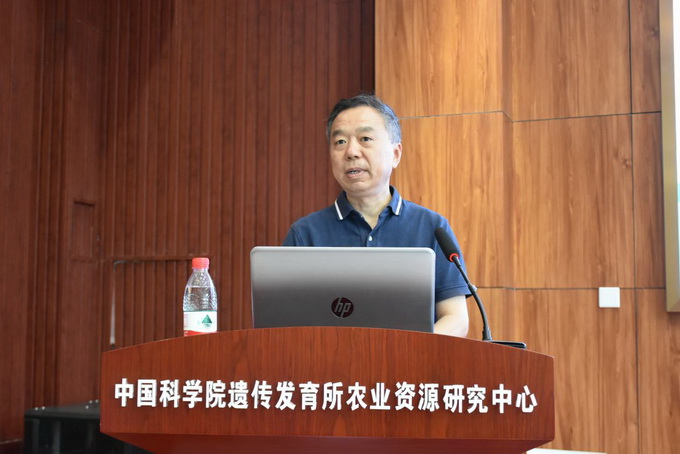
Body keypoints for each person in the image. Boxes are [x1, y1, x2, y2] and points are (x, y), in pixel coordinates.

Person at [283, 94, 470, 337]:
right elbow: (285, 323)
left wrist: (406, 352)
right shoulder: (305, 234)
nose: (351, 152)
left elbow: (455, 318)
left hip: (411, 360)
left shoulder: (432, 228)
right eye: (340, 142)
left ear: (395, 154)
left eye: (365, 139)